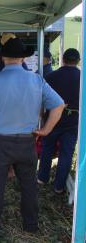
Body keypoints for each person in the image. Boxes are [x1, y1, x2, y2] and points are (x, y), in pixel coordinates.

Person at [0, 37, 65, 233]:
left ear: (3, 57)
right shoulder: (36, 79)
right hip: (27, 142)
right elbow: (59, 105)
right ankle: (31, 225)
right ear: (23, 58)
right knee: (29, 186)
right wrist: (46, 130)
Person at [38, 48, 81, 193]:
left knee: (47, 149)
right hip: (74, 121)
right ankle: (59, 186)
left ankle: (42, 178)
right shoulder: (83, 78)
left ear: (62, 59)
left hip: (52, 119)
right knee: (66, 153)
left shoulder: (51, 76)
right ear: (78, 61)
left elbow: (42, 99)